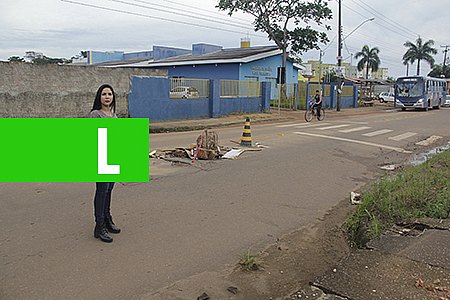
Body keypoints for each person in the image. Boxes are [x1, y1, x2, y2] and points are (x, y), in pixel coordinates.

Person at [89, 84, 121, 243]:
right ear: (99, 97)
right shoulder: (95, 115)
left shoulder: (114, 115)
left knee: (109, 189)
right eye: (104, 94)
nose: (107, 97)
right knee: (101, 190)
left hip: (112, 157)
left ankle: (108, 219)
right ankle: (99, 225)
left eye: (109, 94)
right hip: (101, 157)